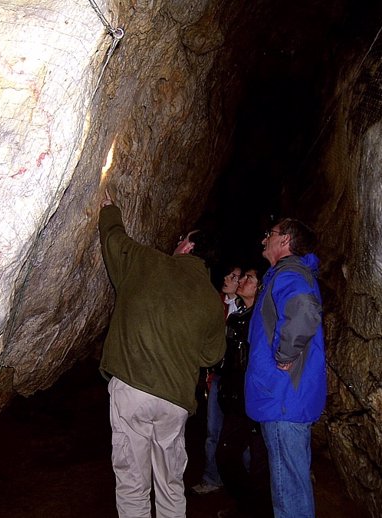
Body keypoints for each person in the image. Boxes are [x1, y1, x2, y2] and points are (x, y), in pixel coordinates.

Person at [98, 190, 226, 518]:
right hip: (175, 402)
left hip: (132, 388)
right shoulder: (213, 300)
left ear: (189, 246)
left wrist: (110, 210)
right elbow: (212, 355)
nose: (178, 241)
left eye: (183, 238)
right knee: (170, 481)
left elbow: (114, 240)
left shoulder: (148, 261)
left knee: (132, 480)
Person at [245, 219, 326, 518]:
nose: (265, 238)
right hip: (286, 399)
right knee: (293, 483)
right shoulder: (287, 274)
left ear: (286, 240)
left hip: (282, 398)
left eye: (272, 234)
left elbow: (303, 310)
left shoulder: (288, 272)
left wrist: (284, 355)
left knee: (288, 490)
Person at [216, 266, 272, 518]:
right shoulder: (237, 318)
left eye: (250, 278)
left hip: (258, 401)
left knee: (261, 462)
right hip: (235, 400)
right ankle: (247, 505)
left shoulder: (266, 318)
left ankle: (255, 510)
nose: (244, 281)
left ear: (260, 287)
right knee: (226, 455)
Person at [192, 266, 241, 496]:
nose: (226, 278)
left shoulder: (248, 309)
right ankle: (212, 477)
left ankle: (242, 482)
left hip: (239, 381)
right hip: (219, 377)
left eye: (233, 277)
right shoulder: (216, 304)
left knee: (239, 435)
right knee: (213, 430)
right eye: (227, 274)